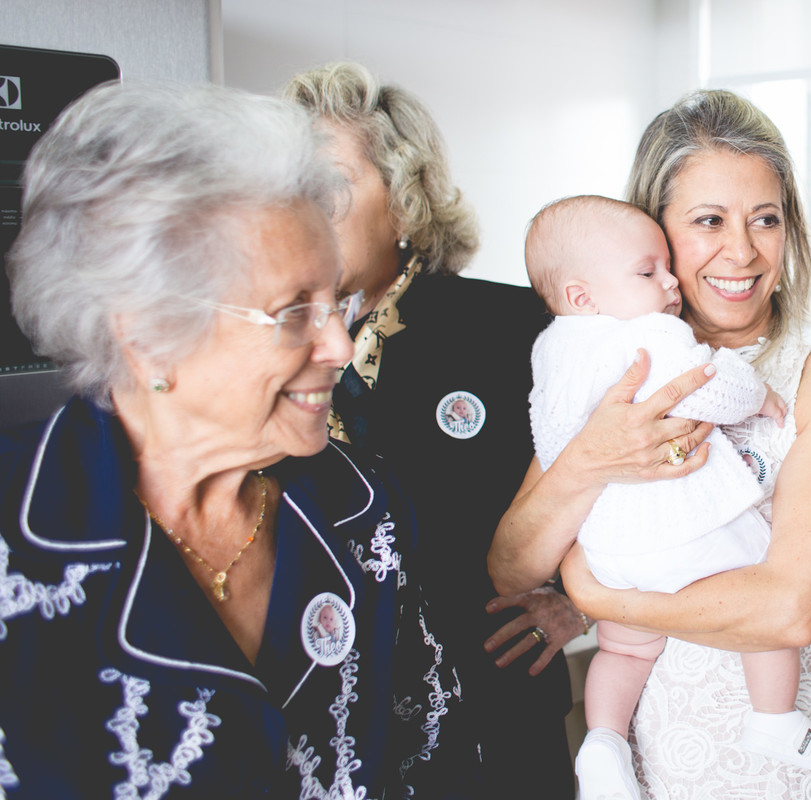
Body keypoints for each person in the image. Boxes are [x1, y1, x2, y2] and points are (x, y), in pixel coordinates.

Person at [0, 80, 482, 798]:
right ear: (148, 337)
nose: (339, 346)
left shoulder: (359, 509)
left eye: (337, 302)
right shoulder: (20, 535)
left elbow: (434, 757)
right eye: (294, 312)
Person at [489, 89, 811, 800]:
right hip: (660, 763)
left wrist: (593, 592)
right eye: (709, 221)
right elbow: (514, 568)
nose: (743, 251)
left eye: (766, 219)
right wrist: (587, 460)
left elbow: (790, 610)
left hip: (779, 776)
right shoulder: (617, 367)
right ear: (656, 231)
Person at [281, 61, 579, 796]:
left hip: (491, 713)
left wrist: (580, 600)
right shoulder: (269, 341)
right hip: (330, 716)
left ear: (406, 200)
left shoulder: (515, 326)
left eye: (328, 181)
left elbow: (612, 465)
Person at [524, 194, 811, 799]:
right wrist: (756, 394)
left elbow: (552, 438)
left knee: (622, 650)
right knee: (763, 606)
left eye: (766, 219)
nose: (668, 282)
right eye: (649, 272)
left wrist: (592, 590)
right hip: (680, 527)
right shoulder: (646, 335)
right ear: (582, 295)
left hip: (606, 547)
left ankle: (603, 741)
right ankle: (774, 720)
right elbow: (705, 390)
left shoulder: (550, 349)